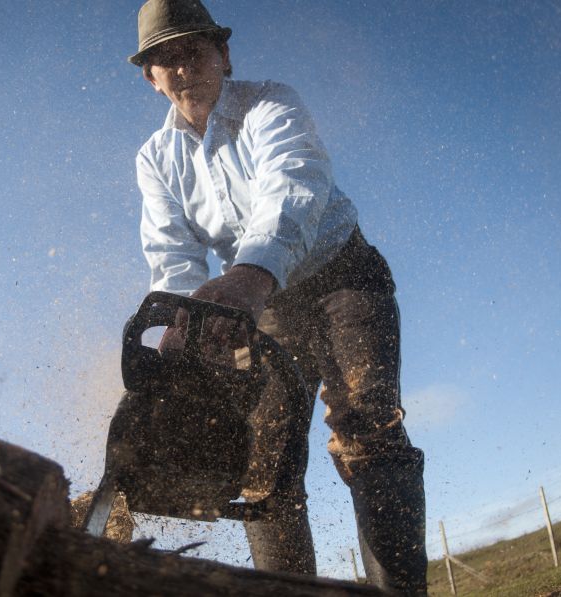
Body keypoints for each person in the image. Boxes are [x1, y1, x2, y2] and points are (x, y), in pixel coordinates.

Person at [128, 1, 428, 593]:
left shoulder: (269, 102)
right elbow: (173, 254)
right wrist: (184, 331)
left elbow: (294, 180)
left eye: (194, 51)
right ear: (151, 78)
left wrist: (250, 274)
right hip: (263, 306)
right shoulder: (155, 158)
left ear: (224, 54)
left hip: (341, 276)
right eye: (166, 60)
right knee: (263, 463)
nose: (183, 68)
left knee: (367, 428)